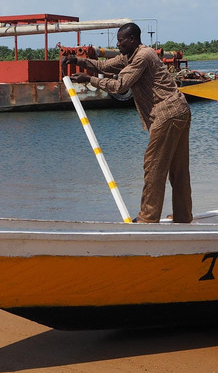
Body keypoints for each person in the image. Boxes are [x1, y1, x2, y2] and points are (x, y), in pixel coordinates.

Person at [62, 22, 193, 223]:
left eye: (121, 40)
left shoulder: (142, 56)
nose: (118, 43)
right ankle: (183, 217)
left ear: (132, 40)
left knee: (154, 167)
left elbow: (120, 86)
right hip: (180, 110)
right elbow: (104, 66)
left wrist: (90, 80)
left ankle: (147, 218)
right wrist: (78, 60)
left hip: (167, 114)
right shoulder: (130, 56)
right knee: (178, 169)